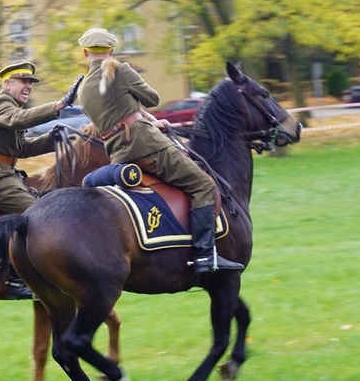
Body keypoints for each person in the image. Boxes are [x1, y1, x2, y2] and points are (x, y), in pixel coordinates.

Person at [76, 28, 243, 275]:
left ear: (85, 53)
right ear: (111, 51)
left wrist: (148, 121)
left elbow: (113, 120)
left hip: (119, 154)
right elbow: (152, 98)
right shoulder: (121, 70)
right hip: (148, 146)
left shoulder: (83, 89)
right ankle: (205, 256)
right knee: (203, 185)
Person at [0, 61, 84, 297]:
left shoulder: (11, 107)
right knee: (38, 214)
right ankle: (21, 276)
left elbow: (20, 149)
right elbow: (18, 119)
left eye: (31, 82)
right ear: (7, 84)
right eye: (24, 81)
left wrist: (51, 138)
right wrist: (59, 105)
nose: (29, 86)